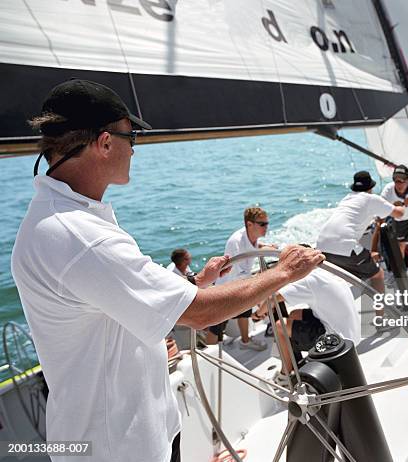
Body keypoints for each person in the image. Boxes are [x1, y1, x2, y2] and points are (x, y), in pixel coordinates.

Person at [10, 79, 324, 462]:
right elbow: (200, 313)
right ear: (105, 142)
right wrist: (284, 272)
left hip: (130, 434)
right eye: (132, 138)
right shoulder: (80, 235)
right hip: (120, 449)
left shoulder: (60, 219)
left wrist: (195, 282)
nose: (134, 150)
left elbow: (110, 293)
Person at [254, 266, 360, 384]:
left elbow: (271, 299)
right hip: (349, 331)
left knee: (279, 326)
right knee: (295, 314)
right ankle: (295, 361)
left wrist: (257, 314)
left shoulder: (308, 280)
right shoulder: (324, 272)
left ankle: (285, 376)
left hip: (336, 339)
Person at [316, 171, 404, 312]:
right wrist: (403, 205)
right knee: (377, 275)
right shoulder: (371, 198)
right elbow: (399, 214)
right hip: (345, 246)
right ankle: (381, 319)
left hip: (322, 246)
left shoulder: (347, 198)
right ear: (370, 187)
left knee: (343, 281)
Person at [206, 207, 277, 351]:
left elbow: (252, 247)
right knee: (216, 326)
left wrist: (265, 247)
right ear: (250, 224)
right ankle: (210, 353)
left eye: (267, 223)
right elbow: (236, 272)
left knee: (244, 313)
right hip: (226, 290)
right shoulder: (235, 242)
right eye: (262, 224)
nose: (266, 227)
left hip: (240, 287)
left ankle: (245, 341)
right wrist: (261, 279)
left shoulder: (252, 237)